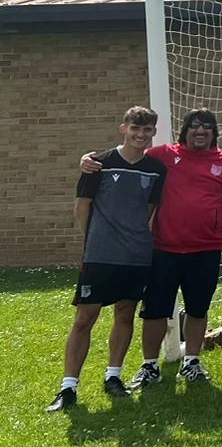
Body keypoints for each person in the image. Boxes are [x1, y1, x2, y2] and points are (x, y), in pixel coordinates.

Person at [82, 108, 222, 388]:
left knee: (198, 309)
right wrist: (89, 159)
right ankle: (150, 365)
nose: (200, 131)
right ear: (184, 130)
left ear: (214, 132)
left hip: (205, 249)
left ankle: (192, 362)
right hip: (163, 249)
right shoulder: (162, 155)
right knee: (155, 310)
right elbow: (127, 155)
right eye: (194, 126)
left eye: (206, 127)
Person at [48, 106, 166, 412]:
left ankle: (113, 376)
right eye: (135, 129)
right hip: (100, 255)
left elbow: (148, 210)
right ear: (123, 128)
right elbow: (81, 206)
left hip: (136, 255)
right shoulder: (97, 163)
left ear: (153, 132)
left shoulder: (156, 169)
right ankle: (68, 387)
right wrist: (92, 243)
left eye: (147, 130)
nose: (140, 135)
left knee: (125, 314)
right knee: (84, 318)